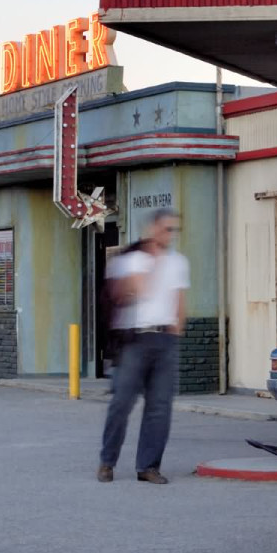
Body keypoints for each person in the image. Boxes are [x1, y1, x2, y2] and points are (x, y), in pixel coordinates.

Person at [97, 208, 189, 485]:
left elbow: (179, 298)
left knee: (160, 407)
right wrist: (151, 265)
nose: (169, 235)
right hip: (133, 339)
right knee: (122, 403)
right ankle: (107, 461)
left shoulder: (178, 262)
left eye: (174, 230)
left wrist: (178, 326)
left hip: (164, 339)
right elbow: (126, 294)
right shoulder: (129, 259)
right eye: (165, 229)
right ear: (152, 229)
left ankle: (148, 466)